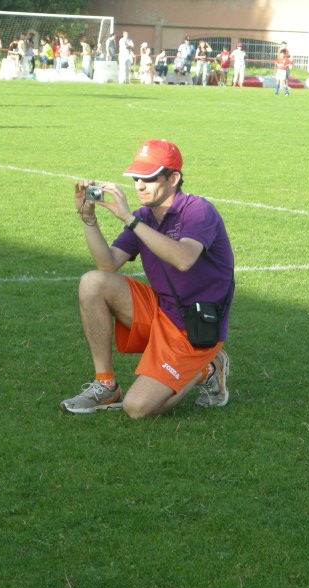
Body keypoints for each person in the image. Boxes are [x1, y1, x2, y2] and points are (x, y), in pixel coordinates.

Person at [60, 139, 234, 418]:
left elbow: (184, 258)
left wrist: (129, 218)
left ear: (173, 178)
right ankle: (105, 384)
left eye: (150, 178)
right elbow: (107, 265)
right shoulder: (144, 217)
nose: (140, 185)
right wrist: (88, 219)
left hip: (194, 328)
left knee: (137, 408)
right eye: (137, 178)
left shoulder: (198, 210)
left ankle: (208, 368)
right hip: (162, 311)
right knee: (93, 282)